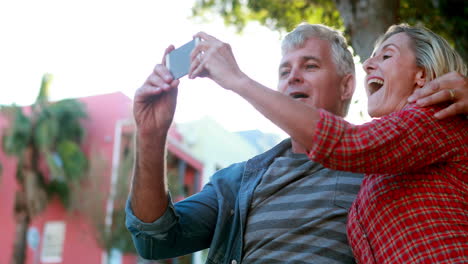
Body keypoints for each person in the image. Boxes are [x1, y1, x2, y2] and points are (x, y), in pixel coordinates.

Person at [126, 24, 467, 264]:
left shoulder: (383, 162)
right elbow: (155, 240)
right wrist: (151, 136)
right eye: (285, 70)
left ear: (347, 87)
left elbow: (352, 144)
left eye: (311, 65)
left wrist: (237, 80)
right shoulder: (240, 181)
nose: (293, 77)